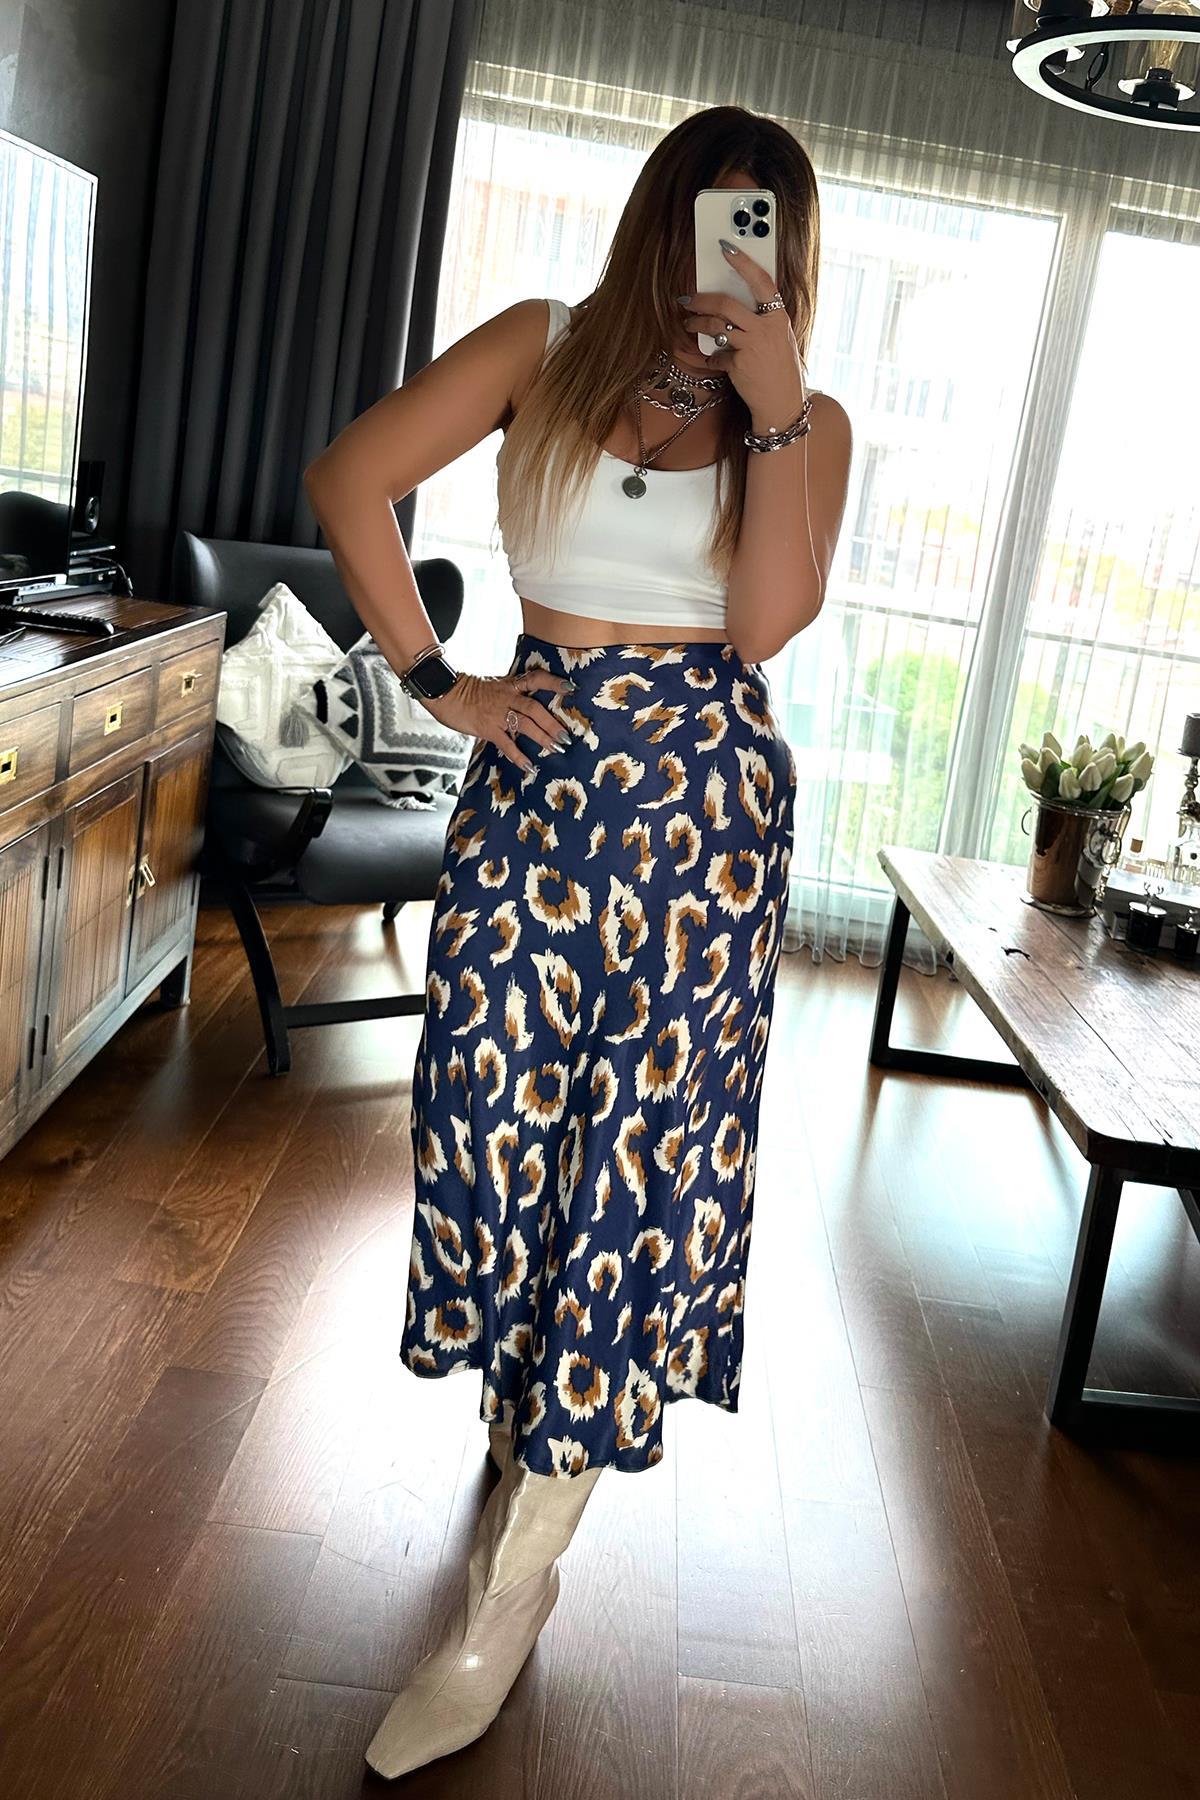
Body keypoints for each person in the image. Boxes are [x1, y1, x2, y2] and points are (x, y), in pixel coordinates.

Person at [303, 102, 852, 1782]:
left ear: (791, 248)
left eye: (761, 226)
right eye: (710, 215)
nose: (728, 255)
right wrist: (439, 683)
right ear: (658, 214)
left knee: (634, 1166)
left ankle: (510, 1587)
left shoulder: (809, 422)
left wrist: (772, 410)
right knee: (495, 1135)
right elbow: (350, 481)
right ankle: (515, 1414)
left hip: (702, 821)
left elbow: (763, 626)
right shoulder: (542, 348)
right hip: (534, 794)